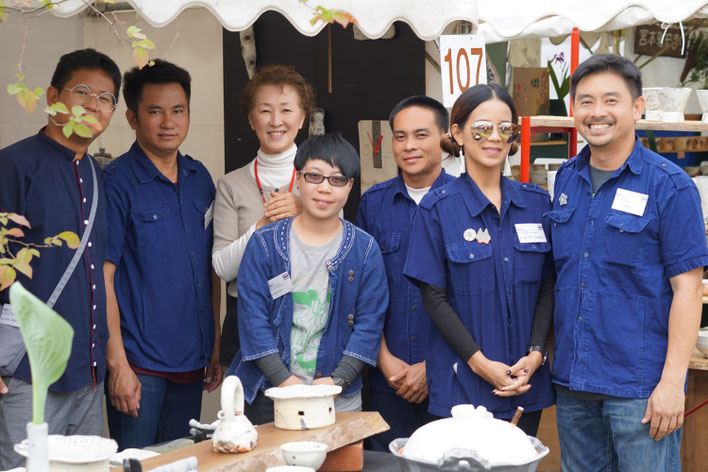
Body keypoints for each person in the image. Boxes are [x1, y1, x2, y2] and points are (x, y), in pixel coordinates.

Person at [548, 54, 708, 471]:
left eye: (611, 100)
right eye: (585, 101)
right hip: (573, 383)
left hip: (640, 388)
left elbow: (688, 289)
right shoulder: (566, 179)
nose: (597, 112)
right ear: (574, 110)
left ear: (637, 108)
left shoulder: (670, 186)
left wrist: (673, 383)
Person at [403, 84, 555, 436]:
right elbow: (434, 298)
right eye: (482, 128)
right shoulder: (438, 208)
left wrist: (536, 354)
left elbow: (548, 284)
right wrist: (480, 363)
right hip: (462, 384)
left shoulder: (536, 203)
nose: (495, 138)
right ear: (457, 132)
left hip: (524, 381)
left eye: (506, 128)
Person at [0, 49, 121, 469]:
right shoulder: (13, 164)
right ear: (53, 95)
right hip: (25, 375)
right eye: (82, 91)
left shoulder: (99, 176)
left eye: (105, 98)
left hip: (87, 377)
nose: (93, 104)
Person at [102, 59, 222, 450]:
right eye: (155, 111)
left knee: (181, 460)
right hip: (139, 364)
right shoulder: (116, 182)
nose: (168, 122)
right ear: (133, 118)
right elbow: (102, 277)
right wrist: (118, 364)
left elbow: (212, 265)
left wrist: (215, 344)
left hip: (192, 360)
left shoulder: (198, 177)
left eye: (178, 110)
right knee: (137, 462)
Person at [228, 133, 388, 425]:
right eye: (315, 176)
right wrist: (285, 381)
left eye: (337, 179)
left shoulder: (365, 250)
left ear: (350, 186)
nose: (325, 188)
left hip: (338, 396)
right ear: (298, 178)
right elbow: (253, 321)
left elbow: (370, 325)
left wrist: (336, 379)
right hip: (270, 393)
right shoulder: (264, 243)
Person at [355, 96, 455, 451]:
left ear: (445, 138)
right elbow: (362, 292)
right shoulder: (373, 203)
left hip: (451, 382)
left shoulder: (465, 203)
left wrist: (434, 366)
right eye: (400, 136)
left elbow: (475, 299)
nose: (409, 145)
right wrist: (382, 359)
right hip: (388, 380)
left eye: (420, 135)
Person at [212, 65, 314, 369]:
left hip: (308, 314)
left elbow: (336, 252)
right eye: (265, 110)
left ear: (302, 117)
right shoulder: (231, 185)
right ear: (250, 118)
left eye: (286, 110)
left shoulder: (321, 178)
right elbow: (222, 267)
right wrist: (262, 226)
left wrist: (305, 210)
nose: (276, 121)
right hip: (247, 315)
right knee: (246, 415)